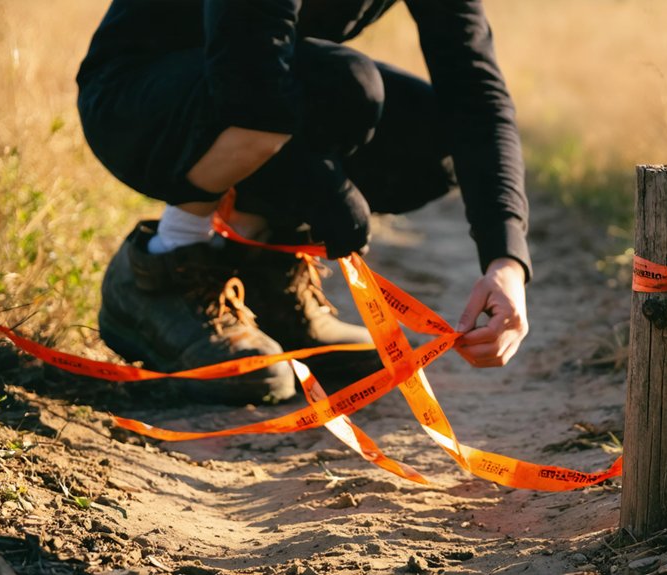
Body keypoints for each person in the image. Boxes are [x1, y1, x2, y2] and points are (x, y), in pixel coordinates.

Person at [76, 0, 531, 405]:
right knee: (345, 84)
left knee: (434, 141)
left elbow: (475, 93)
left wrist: (505, 262)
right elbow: (247, 68)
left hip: (250, 84)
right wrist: (324, 187)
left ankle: (264, 282)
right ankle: (165, 267)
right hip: (135, 97)